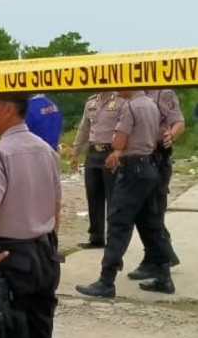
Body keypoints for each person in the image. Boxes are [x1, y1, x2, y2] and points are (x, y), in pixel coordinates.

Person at [0, 93, 62, 338]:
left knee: (6, 329)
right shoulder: (46, 149)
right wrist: (50, 244)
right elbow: (56, 204)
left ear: (9, 109)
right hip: (44, 253)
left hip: (10, 257)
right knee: (39, 329)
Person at [76, 90, 175, 298]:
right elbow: (158, 134)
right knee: (151, 224)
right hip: (149, 166)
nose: (117, 88)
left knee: (118, 223)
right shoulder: (150, 105)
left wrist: (117, 147)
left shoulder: (131, 107)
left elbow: (119, 141)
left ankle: (106, 281)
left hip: (132, 169)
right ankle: (164, 276)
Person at [127, 89, 185, 279]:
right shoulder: (132, 93)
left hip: (157, 157)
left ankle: (155, 261)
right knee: (143, 212)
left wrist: (171, 136)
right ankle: (165, 255)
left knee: (154, 211)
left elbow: (178, 122)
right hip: (137, 160)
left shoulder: (163, 93)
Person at [70, 92, 125, 248]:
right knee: (93, 194)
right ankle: (96, 237)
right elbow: (84, 128)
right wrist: (75, 152)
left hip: (111, 152)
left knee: (112, 196)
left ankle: (114, 237)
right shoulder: (91, 103)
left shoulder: (121, 101)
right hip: (93, 152)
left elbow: (125, 129)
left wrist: (119, 152)